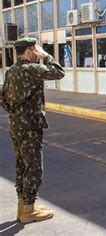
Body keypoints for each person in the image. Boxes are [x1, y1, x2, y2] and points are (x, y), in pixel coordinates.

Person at [1, 37, 65, 223]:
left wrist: (15, 111)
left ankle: (24, 206)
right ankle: (28, 210)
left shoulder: (11, 71)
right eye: (36, 49)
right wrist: (47, 56)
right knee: (34, 168)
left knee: (22, 165)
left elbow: (2, 96)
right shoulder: (31, 69)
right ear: (29, 51)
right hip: (30, 125)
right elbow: (58, 72)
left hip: (15, 123)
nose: (38, 52)